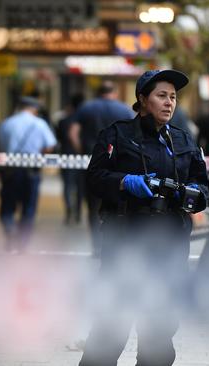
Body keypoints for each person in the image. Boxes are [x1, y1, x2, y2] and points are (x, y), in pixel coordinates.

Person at [78, 69, 209, 366]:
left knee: (159, 334)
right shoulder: (117, 134)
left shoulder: (183, 139)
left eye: (173, 97)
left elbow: (203, 187)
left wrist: (189, 192)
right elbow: (95, 178)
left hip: (169, 245)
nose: (169, 103)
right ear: (142, 99)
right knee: (111, 329)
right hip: (125, 241)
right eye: (161, 95)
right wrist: (126, 182)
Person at [72, 81, 134, 255]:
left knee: (92, 207)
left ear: (98, 92)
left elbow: (73, 132)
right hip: (118, 167)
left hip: (91, 163)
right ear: (113, 93)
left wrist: (83, 151)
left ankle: (97, 247)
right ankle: (114, 245)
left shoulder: (86, 107)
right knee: (117, 206)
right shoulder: (123, 109)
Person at [0, 96, 57, 253]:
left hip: (11, 170)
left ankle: (10, 231)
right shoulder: (40, 124)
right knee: (28, 208)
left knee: (7, 206)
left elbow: (1, 146)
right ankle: (22, 243)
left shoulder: (7, 123)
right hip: (31, 171)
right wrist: (39, 154)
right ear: (34, 109)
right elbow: (50, 145)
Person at [56, 93, 85, 225]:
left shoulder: (63, 121)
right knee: (80, 187)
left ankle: (69, 212)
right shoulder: (85, 120)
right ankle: (78, 213)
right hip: (82, 157)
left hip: (66, 157)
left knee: (68, 185)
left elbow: (58, 139)